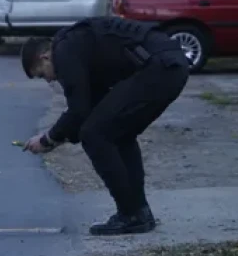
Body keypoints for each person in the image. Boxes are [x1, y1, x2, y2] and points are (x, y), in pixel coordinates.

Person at [19, 17, 190, 235]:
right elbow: (90, 107)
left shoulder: (64, 52)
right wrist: (58, 136)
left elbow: (78, 111)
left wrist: (48, 140)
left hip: (158, 67)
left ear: (45, 56)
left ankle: (130, 214)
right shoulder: (77, 45)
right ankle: (138, 212)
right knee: (117, 133)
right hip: (169, 64)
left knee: (95, 135)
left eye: (43, 74)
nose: (49, 81)